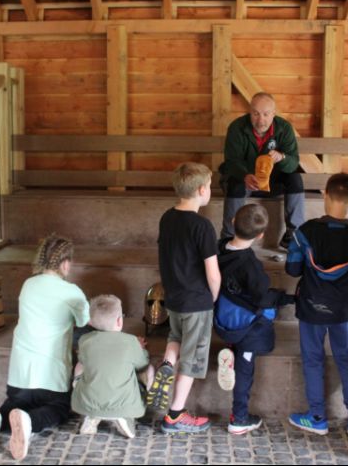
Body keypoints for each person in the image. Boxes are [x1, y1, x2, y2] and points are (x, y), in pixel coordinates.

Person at [0, 234, 89, 460]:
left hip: (21, 373)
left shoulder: (28, 285)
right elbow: (84, 321)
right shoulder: (72, 292)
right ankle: (30, 422)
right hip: (51, 375)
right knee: (59, 408)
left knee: (15, 404)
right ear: (65, 263)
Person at [286, 173, 348, 436]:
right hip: (343, 310)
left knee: (313, 360)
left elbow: (292, 269)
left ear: (325, 194)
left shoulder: (304, 232)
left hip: (312, 307)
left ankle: (317, 417)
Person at [147, 162, 221, 434]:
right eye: (210, 186)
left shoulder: (167, 218)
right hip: (197, 302)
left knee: (175, 338)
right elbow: (213, 273)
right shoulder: (202, 226)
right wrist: (213, 298)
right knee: (191, 360)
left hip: (174, 298)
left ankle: (167, 365)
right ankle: (175, 415)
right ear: (202, 190)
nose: (210, 190)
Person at [214, 204, 291, 435]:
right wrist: (286, 298)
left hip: (221, 318)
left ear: (233, 221)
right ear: (260, 236)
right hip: (246, 328)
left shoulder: (218, 248)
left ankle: (231, 348)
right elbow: (263, 298)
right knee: (246, 366)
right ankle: (239, 418)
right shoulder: (252, 266)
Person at [219, 92, 305, 248]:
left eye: (266, 114)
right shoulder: (237, 127)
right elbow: (231, 161)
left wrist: (282, 157)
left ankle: (293, 236)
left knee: (295, 179)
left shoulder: (284, 128)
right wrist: (245, 175)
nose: (260, 120)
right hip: (244, 182)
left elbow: (293, 163)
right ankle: (229, 237)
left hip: (272, 184)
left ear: (273, 113)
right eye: (256, 114)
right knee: (234, 183)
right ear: (249, 112)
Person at [71, 294, 155, 439]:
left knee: (81, 364)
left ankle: (91, 416)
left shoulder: (84, 340)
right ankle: (125, 418)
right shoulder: (130, 341)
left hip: (87, 403)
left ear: (90, 321)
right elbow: (142, 363)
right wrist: (140, 348)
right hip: (124, 404)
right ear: (119, 321)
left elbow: (83, 359)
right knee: (149, 369)